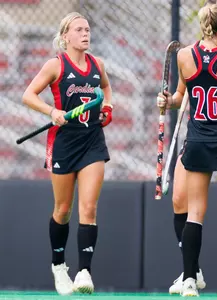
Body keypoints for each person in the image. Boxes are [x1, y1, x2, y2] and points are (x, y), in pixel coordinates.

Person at [157, 1, 217, 297]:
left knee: (195, 212)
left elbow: (180, 96)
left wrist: (168, 101)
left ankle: (189, 279)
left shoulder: (184, 55)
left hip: (197, 139)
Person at [21, 12, 113, 296]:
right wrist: (53, 111)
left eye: (87, 29)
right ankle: (59, 267)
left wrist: (107, 108)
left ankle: (84, 271)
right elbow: (28, 95)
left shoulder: (97, 64)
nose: (86, 33)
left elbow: (106, 89)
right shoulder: (55, 65)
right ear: (65, 37)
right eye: (79, 30)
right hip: (64, 142)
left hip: (92, 141)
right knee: (63, 209)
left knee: (89, 207)